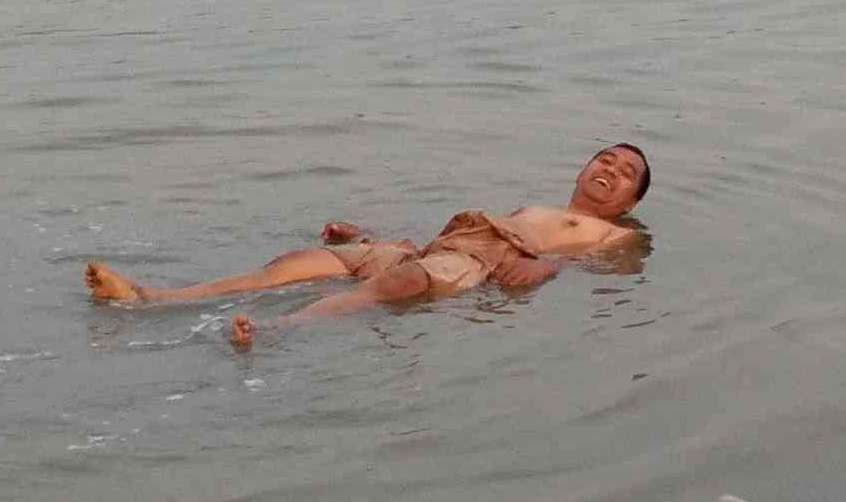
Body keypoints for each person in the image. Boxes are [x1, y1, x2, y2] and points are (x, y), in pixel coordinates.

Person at [85, 143, 652, 349]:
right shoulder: (535, 207)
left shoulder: (618, 234)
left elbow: (592, 266)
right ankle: (153, 297)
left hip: (482, 261)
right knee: (290, 265)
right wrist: (366, 236)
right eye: (605, 158)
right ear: (583, 166)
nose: (610, 169)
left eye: (626, 172)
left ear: (629, 203)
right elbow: (448, 240)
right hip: (446, 243)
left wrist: (546, 268)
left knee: (399, 284)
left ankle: (275, 332)